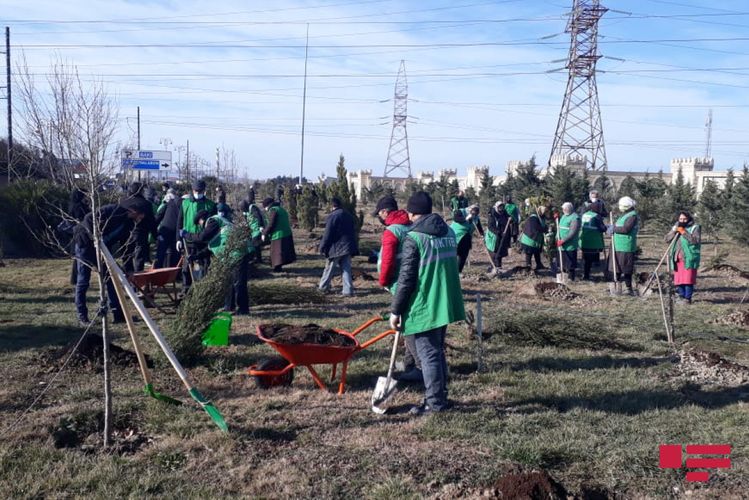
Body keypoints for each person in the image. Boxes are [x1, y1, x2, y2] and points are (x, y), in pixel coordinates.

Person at [389, 191, 465, 416]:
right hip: (445, 301)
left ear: (411, 213)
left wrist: (396, 310)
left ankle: (435, 405)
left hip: (425, 304)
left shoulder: (414, 238)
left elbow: (406, 279)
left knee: (429, 355)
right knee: (437, 352)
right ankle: (439, 397)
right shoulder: (449, 232)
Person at [72, 200, 146, 326]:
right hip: (85, 244)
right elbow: (89, 218)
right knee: (83, 281)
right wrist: (94, 238)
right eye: (141, 215)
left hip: (103, 249)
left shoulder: (128, 224)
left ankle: (118, 314)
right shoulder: (113, 210)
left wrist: (129, 270)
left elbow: (126, 247)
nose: (141, 218)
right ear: (134, 211)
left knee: (111, 279)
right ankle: (82, 316)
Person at [372, 195, 422, 382]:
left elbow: (388, 260)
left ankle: (419, 367)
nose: (379, 217)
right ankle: (410, 363)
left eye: (379, 214)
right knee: (409, 320)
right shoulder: (410, 225)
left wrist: (383, 281)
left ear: (385, 212)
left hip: (400, 282)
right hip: (415, 279)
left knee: (407, 323)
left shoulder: (392, 231)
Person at [181, 204, 249, 314]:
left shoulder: (212, 221)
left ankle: (243, 309)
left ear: (202, 219)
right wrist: (195, 256)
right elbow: (209, 249)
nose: (201, 226)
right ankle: (229, 307)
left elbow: (202, 237)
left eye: (199, 223)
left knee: (238, 282)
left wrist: (186, 235)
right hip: (230, 256)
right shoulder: (217, 227)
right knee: (228, 282)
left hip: (238, 253)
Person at [176, 179, 216, 292]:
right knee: (187, 266)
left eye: (200, 191)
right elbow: (179, 221)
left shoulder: (210, 205)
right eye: (196, 191)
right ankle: (186, 290)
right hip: (188, 240)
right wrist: (178, 239)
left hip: (204, 241)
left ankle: (204, 289)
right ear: (192, 190)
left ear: (204, 191)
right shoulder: (185, 203)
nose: (198, 193)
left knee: (205, 265)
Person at [318, 197, 358, 296]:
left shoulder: (333, 216)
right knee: (346, 269)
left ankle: (323, 288)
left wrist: (322, 246)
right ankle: (348, 291)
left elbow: (327, 233)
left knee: (329, 268)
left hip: (336, 247)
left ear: (332, 206)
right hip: (348, 246)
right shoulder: (348, 215)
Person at [120, 182, 157, 273]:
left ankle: (128, 274)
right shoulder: (146, 204)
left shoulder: (123, 202)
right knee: (139, 256)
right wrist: (155, 235)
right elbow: (151, 222)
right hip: (141, 233)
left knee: (126, 255)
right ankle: (138, 275)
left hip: (125, 232)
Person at [665, 211, 701, 304]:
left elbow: (695, 240)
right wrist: (674, 231)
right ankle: (681, 296)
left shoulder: (695, 227)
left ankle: (687, 298)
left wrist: (683, 232)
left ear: (688, 219)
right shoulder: (676, 227)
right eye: (680, 219)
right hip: (677, 257)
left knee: (688, 278)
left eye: (684, 219)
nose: (682, 221)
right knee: (679, 279)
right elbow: (667, 239)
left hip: (689, 257)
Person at [608, 196, 640, 295]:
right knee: (617, 266)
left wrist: (614, 229)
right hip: (618, 245)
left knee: (626, 268)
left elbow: (626, 229)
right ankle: (617, 286)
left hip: (626, 246)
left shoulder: (632, 216)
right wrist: (611, 227)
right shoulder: (625, 215)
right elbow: (619, 225)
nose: (620, 207)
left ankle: (628, 288)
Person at [261, 197, 296, 272]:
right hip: (287, 232)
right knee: (282, 252)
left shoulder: (273, 210)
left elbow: (271, 224)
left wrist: (264, 233)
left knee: (276, 253)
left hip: (278, 234)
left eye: (265, 207)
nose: (265, 209)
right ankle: (278, 268)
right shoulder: (281, 209)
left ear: (267, 205)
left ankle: (277, 268)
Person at [450, 205, 484, 273]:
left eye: (476, 213)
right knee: (454, 253)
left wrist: (482, 235)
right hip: (456, 236)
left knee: (463, 255)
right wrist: (465, 219)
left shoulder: (476, 218)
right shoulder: (461, 211)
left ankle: (458, 271)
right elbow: (456, 218)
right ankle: (450, 270)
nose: (474, 214)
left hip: (467, 237)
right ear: (470, 210)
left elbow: (479, 227)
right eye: (473, 212)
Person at [579, 200, 607, 280]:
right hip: (593, 242)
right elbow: (602, 228)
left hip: (584, 241)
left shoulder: (585, 215)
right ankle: (587, 276)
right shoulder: (596, 216)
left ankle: (585, 275)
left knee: (586, 260)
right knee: (590, 260)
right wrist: (607, 227)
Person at [154, 188, 180, 268]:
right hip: (176, 232)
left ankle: (158, 270)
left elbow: (158, 216)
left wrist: (154, 231)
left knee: (160, 254)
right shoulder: (182, 205)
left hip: (165, 230)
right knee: (174, 253)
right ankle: (172, 271)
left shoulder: (169, 203)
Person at [556, 202, 580, 281]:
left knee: (570, 263)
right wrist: (557, 238)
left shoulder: (575, 218)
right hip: (561, 245)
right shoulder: (563, 216)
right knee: (562, 262)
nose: (563, 210)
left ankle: (571, 278)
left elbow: (572, 232)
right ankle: (563, 277)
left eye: (564, 209)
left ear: (568, 209)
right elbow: (559, 227)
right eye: (563, 209)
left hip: (570, 244)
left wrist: (563, 240)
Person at [520, 205, 548, 271]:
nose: (545, 213)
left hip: (536, 240)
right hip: (529, 239)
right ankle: (528, 266)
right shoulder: (533, 218)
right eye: (544, 212)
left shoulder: (541, 217)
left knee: (537, 252)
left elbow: (543, 225)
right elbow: (535, 228)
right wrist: (544, 229)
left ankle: (539, 265)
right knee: (529, 253)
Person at [487, 201, 511, 272]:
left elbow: (509, 220)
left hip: (503, 235)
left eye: (502, 207)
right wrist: (498, 232)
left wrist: (511, 219)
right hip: (494, 236)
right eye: (500, 207)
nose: (501, 208)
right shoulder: (492, 215)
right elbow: (490, 226)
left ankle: (499, 266)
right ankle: (493, 266)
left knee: (501, 250)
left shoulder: (504, 213)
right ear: (496, 207)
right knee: (495, 251)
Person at [245, 188, 265, 264]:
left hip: (257, 228)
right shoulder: (248, 209)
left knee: (255, 244)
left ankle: (258, 259)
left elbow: (258, 216)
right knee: (255, 244)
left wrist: (261, 226)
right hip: (253, 229)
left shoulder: (252, 208)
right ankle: (257, 258)